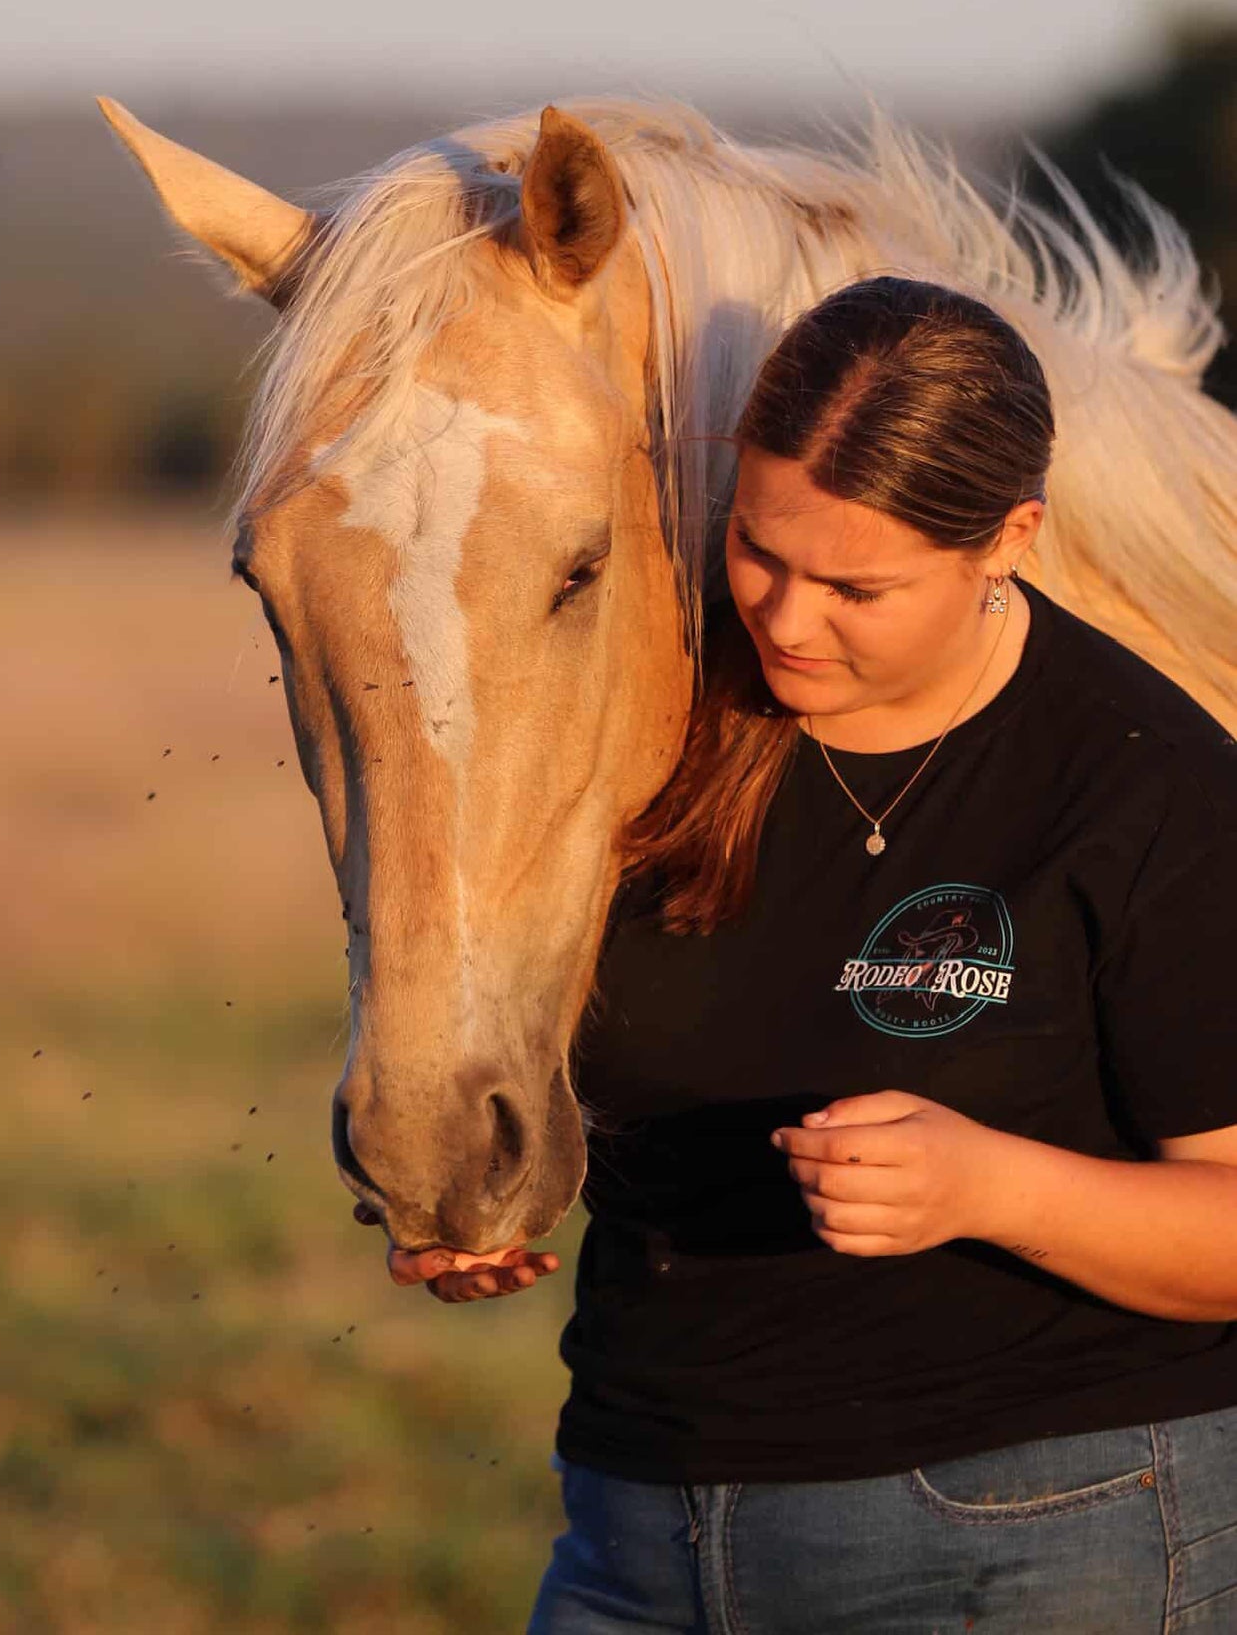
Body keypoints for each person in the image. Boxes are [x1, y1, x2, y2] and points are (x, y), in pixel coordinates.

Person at [365, 275, 1237, 1631]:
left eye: (856, 585)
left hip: (1040, 1539)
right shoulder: (657, 721)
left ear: (1009, 539)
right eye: (760, 550)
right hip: (635, 1531)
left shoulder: (1150, 788)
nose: (782, 619)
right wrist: (472, 1182)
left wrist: (989, 1188)